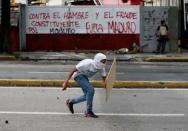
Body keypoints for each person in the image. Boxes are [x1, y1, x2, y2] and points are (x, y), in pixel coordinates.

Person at [62, 53, 107, 118]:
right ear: (97, 60)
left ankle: (70, 102)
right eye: (103, 61)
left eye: (105, 62)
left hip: (84, 77)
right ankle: (89, 111)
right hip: (78, 75)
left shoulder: (101, 67)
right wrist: (66, 82)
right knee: (91, 90)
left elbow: (104, 77)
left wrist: (106, 85)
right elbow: (73, 70)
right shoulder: (87, 64)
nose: (104, 63)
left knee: (88, 96)